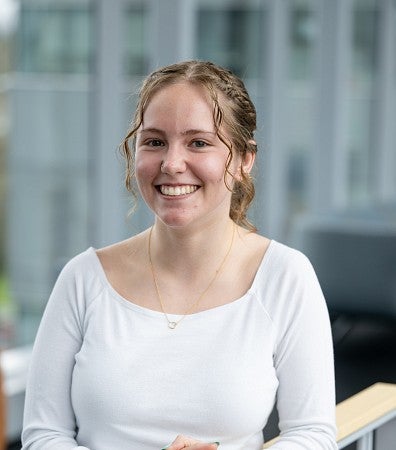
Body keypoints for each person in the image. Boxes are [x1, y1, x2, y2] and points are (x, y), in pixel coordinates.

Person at [21, 60, 337, 450]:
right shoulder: (84, 278)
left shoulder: (286, 276)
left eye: (199, 142)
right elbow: (43, 435)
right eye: (154, 141)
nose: (171, 164)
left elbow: (312, 434)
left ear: (243, 160)